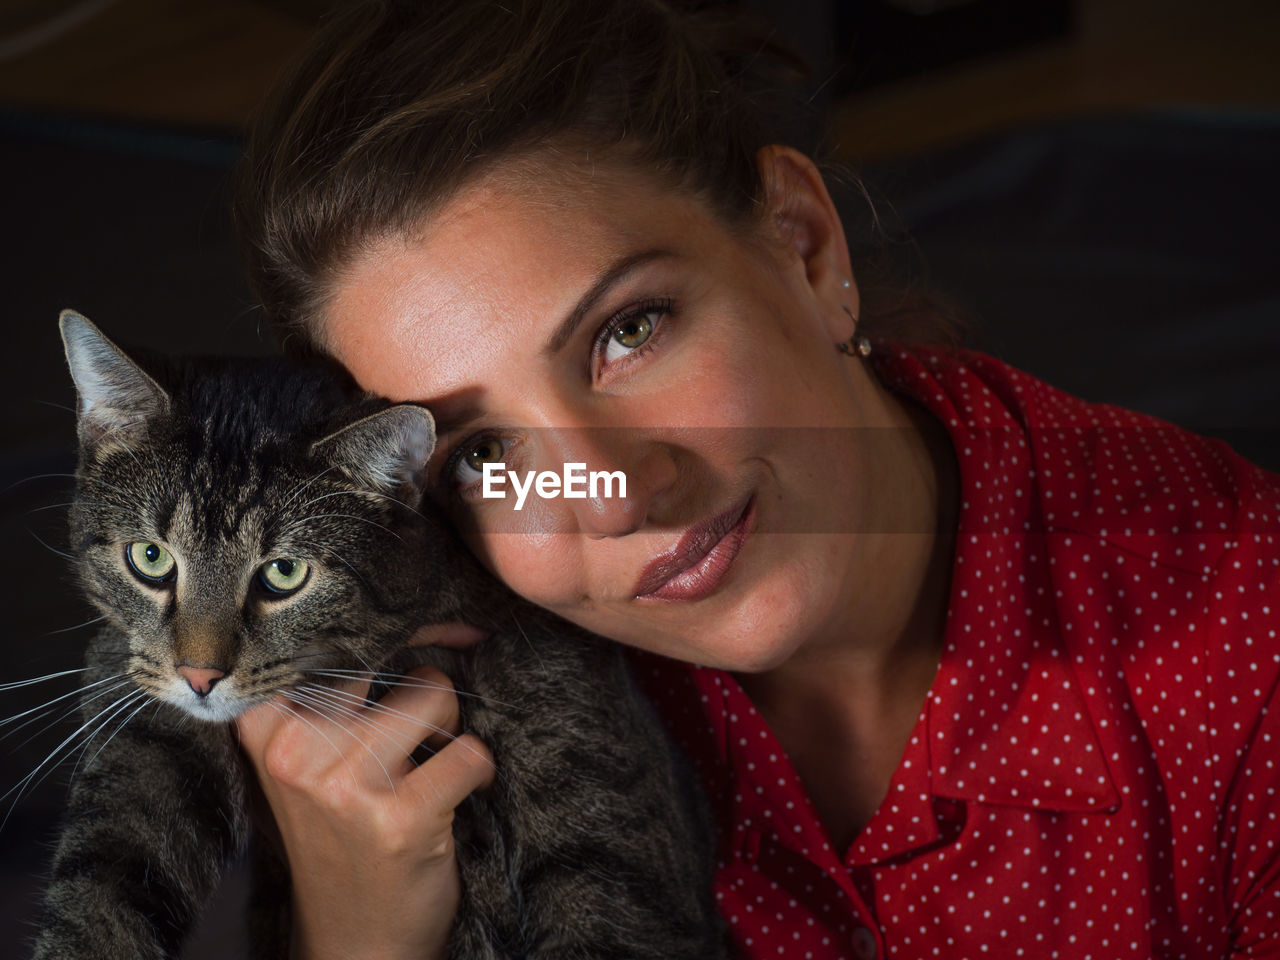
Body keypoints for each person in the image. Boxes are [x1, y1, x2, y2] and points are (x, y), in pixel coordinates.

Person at [230, 1, 1280, 957]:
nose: (615, 495)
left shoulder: (1246, 645)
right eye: (482, 455)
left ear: (804, 247)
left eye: (628, 333)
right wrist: (358, 931)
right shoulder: (425, 726)